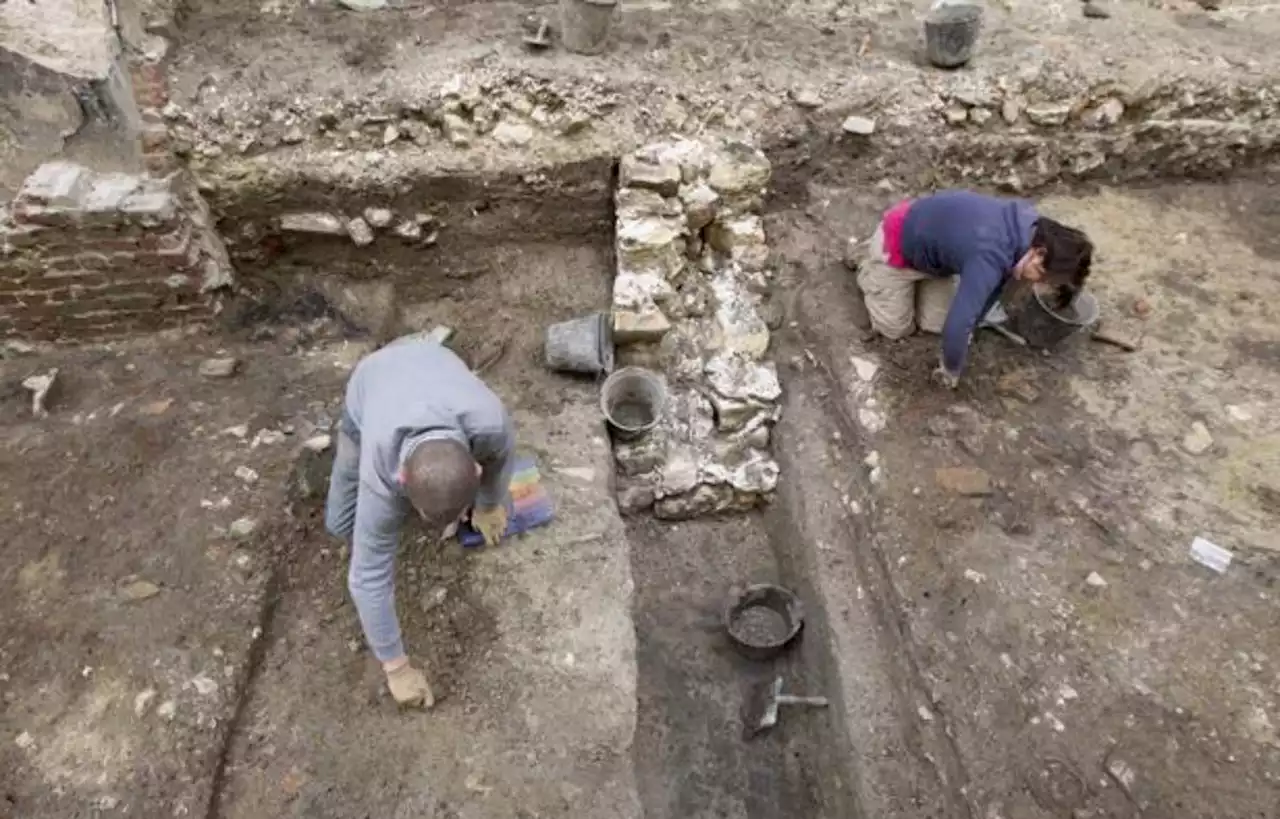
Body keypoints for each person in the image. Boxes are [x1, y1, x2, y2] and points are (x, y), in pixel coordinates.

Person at [325, 338, 515, 708]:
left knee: (481, 493)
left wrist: (490, 504)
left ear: (474, 467)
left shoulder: (492, 423)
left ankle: (451, 498)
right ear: (401, 482)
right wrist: (396, 668)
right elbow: (367, 577)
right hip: (373, 378)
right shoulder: (380, 471)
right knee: (340, 525)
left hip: (437, 359)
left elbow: (501, 458)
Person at [854, 190, 1094, 387]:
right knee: (896, 329)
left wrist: (971, 326)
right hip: (897, 243)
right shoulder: (989, 255)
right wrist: (950, 371)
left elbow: (993, 289)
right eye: (1043, 277)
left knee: (936, 325)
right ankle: (867, 261)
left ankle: (912, 279)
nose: (1037, 283)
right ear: (1039, 253)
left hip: (935, 257)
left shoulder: (1028, 229)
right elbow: (959, 323)